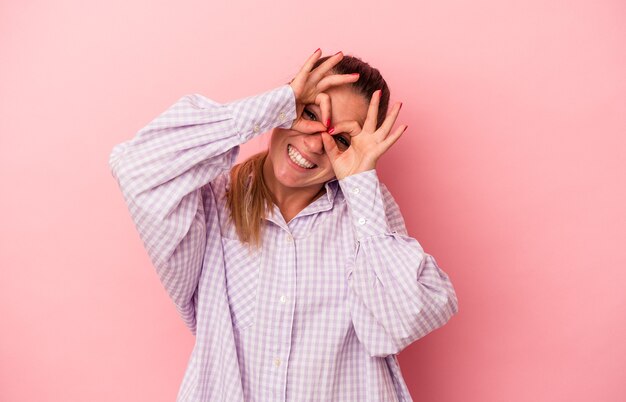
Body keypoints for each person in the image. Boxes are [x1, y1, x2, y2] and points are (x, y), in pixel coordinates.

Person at [109, 49, 459, 401]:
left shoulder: (366, 215)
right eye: (308, 113)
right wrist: (279, 102)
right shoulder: (212, 203)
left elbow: (405, 318)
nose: (313, 143)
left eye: (340, 139)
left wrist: (360, 182)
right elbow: (135, 167)